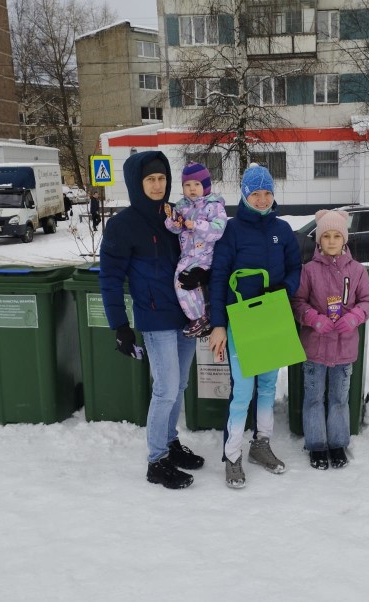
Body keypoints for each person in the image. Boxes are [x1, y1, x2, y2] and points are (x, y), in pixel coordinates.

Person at [99, 150, 204, 490]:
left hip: (185, 315)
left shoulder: (176, 216)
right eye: (150, 180)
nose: (158, 185)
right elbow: (110, 278)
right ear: (136, 183)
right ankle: (156, 460)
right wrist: (120, 326)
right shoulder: (122, 225)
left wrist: (200, 274)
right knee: (166, 389)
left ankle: (170, 443)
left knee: (180, 386)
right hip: (154, 318)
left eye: (161, 178)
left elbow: (198, 252)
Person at [208, 164, 302, 489]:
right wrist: (218, 325)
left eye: (267, 193)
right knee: (243, 391)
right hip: (241, 321)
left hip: (272, 318)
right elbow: (218, 278)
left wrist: (286, 289)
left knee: (267, 388)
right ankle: (232, 454)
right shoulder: (231, 231)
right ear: (245, 195)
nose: (262, 200)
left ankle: (260, 445)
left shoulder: (283, 230)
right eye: (255, 194)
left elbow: (295, 267)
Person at [291, 210, 369, 470]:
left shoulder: (357, 271)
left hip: (344, 347)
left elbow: (367, 301)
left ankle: (338, 443)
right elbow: (298, 302)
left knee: (339, 397)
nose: (331, 240)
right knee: (314, 397)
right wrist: (313, 318)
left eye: (337, 235)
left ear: (344, 239)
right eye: (326, 236)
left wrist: (355, 318)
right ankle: (316, 446)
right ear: (319, 240)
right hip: (315, 347)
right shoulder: (309, 271)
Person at [164, 162, 228, 338]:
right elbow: (174, 228)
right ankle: (200, 317)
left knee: (188, 283)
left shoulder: (214, 206)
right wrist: (174, 222)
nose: (192, 189)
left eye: (196, 184)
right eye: (187, 185)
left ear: (205, 186)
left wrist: (197, 225)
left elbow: (218, 229)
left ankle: (199, 317)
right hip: (187, 255)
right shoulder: (181, 206)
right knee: (184, 283)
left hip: (206, 256)